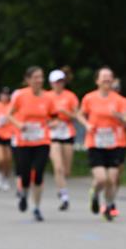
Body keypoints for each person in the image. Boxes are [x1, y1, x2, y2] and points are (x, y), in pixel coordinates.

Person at [78, 68, 126, 222]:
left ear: (113, 80)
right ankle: (95, 195)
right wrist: (87, 125)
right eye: (104, 77)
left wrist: (118, 115)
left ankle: (108, 206)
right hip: (95, 142)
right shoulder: (89, 98)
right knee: (101, 179)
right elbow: (80, 114)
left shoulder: (120, 100)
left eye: (109, 77)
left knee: (112, 178)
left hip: (115, 144)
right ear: (97, 81)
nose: (107, 79)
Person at [8, 66, 56, 221]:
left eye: (41, 77)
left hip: (42, 140)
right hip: (24, 141)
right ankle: (24, 194)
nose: (39, 80)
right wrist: (19, 125)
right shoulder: (20, 96)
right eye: (35, 77)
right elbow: (9, 115)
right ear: (28, 80)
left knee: (39, 173)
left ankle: (36, 208)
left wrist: (52, 124)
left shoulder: (48, 97)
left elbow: (54, 117)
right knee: (25, 174)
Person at [47, 69, 80, 210]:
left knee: (66, 171)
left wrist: (66, 113)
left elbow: (77, 115)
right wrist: (50, 123)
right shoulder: (46, 96)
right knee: (58, 167)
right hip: (52, 134)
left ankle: (61, 186)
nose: (59, 84)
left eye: (61, 81)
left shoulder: (70, 96)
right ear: (51, 83)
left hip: (67, 133)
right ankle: (64, 196)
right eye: (56, 82)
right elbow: (40, 116)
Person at [110, 76, 126, 217]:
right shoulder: (99, 100)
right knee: (109, 175)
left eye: (117, 88)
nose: (115, 90)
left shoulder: (124, 102)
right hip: (103, 144)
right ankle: (110, 202)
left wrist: (124, 115)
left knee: (117, 175)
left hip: (120, 142)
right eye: (113, 87)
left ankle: (111, 198)